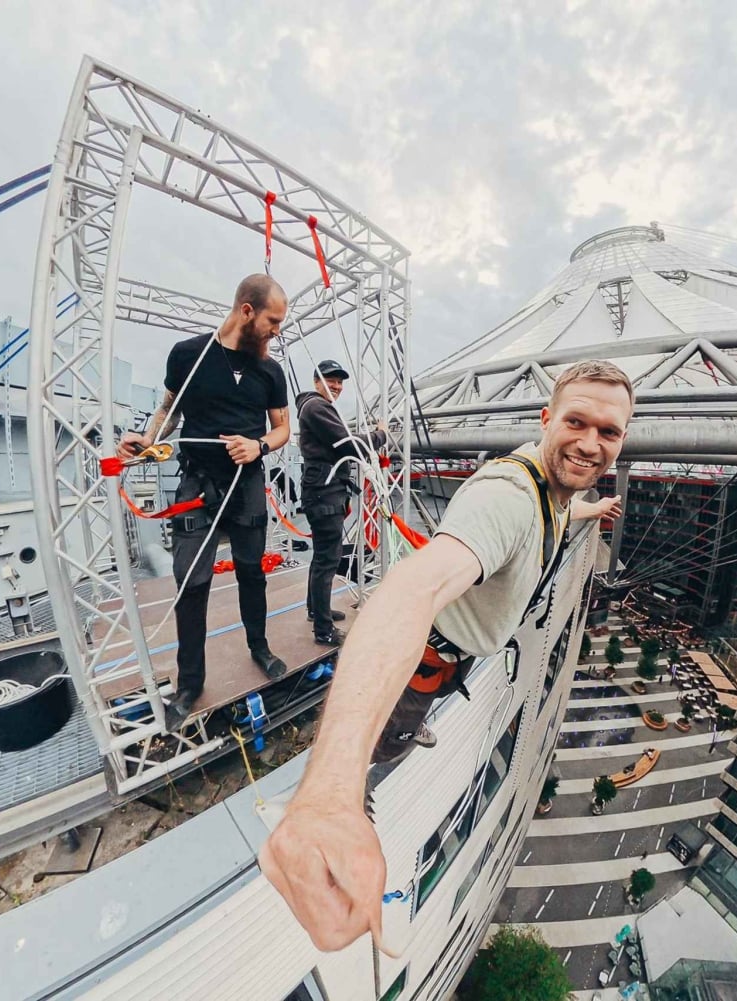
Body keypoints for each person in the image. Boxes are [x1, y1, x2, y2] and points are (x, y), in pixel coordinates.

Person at [258, 359, 634, 952]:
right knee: (392, 736)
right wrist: (328, 793)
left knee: (406, 727)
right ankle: (346, 796)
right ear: (546, 420)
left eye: (608, 433)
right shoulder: (508, 498)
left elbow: (556, 511)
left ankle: (372, 761)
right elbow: (413, 588)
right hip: (421, 667)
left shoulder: (553, 489)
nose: (590, 444)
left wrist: (589, 509)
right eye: (576, 422)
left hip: (441, 660)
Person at [117, 274, 292, 725]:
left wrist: (259, 447)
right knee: (191, 584)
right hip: (197, 484)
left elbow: (282, 429)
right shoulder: (188, 355)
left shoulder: (271, 370)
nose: (278, 331)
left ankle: (260, 647)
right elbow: (169, 412)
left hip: (247, 484)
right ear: (247, 311)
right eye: (273, 321)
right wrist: (147, 442)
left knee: (253, 574)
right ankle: (189, 683)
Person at [293, 359, 388, 646]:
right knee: (327, 558)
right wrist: (380, 434)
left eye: (339, 382)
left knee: (322, 556)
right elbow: (350, 445)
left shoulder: (313, 407)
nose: (336, 386)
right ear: (316, 381)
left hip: (323, 490)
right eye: (330, 380)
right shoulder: (317, 407)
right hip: (325, 492)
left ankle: (315, 610)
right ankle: (323, 630)